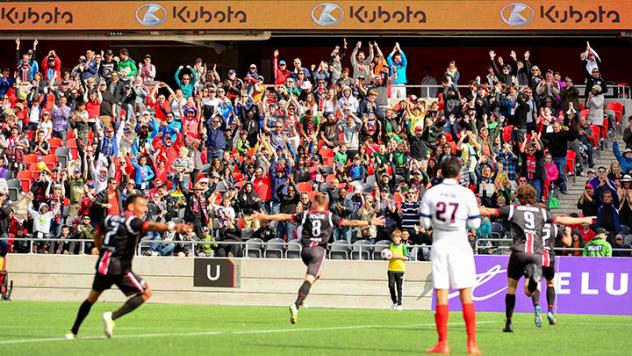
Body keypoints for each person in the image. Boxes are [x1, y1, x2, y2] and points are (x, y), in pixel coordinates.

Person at [66, 193, 187, 339]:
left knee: (91, 299)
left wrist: (101, 250)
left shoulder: (110, 218)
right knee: (146, 293)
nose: (144, 209)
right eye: (142, 206)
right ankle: (112, 316)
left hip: (103, 266)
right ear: (131, 206)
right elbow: (151, 225)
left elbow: (97, 235)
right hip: (120, 269)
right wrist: (171, 226)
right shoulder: (132, 221)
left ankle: (73, 331)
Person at [254, 192, 385, 324]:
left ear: (316, 203)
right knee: (309, 279)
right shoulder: (329, 216)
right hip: (318, 251)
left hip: (304, 251)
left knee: (316, 275)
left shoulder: (306, 214)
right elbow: (350, 222)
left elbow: (283, 216)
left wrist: (265, 216)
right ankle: (297, 304)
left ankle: (302, 297)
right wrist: (369, 221)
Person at [480, 185, 593, 333]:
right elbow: (562, 219)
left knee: (512, 288)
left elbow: (489, 211)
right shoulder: (542, 212)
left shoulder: (514, 209)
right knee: (529, 290)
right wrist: (585, 218)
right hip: (536, 255)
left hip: (519, 252)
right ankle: (534, 279)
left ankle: (509, 322)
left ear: (519, 197)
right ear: (534, 197)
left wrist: (466, 208)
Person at [420, 158, 482, 355]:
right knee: (466, 293)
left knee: (442, 293)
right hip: (460, 244)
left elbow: (425, 223)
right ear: (458, 174)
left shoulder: (431, 193)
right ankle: (472, 343)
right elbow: (475, 225)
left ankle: (443, 342)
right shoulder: (466, 193)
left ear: (440, 173)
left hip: (440, 244)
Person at [532, 222, 571, 326]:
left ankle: (537, 308)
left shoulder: (534, 225)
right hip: (550, 258)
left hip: (537, 257)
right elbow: (568, 242)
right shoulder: (554, 227)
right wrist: (568, 233)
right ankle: (550, 311)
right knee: (550, 283)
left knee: (536, 284)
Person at [386, 229, 408, 311]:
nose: (396, 239)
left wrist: (397, 256)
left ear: (400, 238)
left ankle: (399, 304)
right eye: (394, 237)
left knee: (399, 287)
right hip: (391, 269)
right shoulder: (391, 246)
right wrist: (387, 257)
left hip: (400, 269)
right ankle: (394, 302)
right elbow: (389, 257)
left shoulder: (403, 246)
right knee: (391, 286)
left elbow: (406, 257)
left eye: (398, 237)